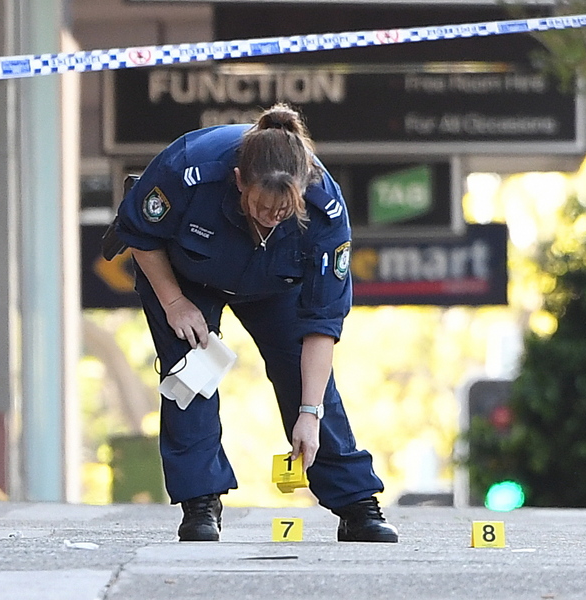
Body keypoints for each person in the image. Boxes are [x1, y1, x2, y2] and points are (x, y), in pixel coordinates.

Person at [108, 103, 398, 543]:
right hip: (185, 277)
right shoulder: (190, 168)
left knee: (305, 380)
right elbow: (141, 233)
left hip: (276, 285)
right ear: (239, 180)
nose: (271, 216)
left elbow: (322, 322)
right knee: (192, 375)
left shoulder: (325, 210)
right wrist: (174, 302)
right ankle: (201, 503)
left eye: (284, 211)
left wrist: (309, 414)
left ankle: (356, 503)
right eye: (262, 206)